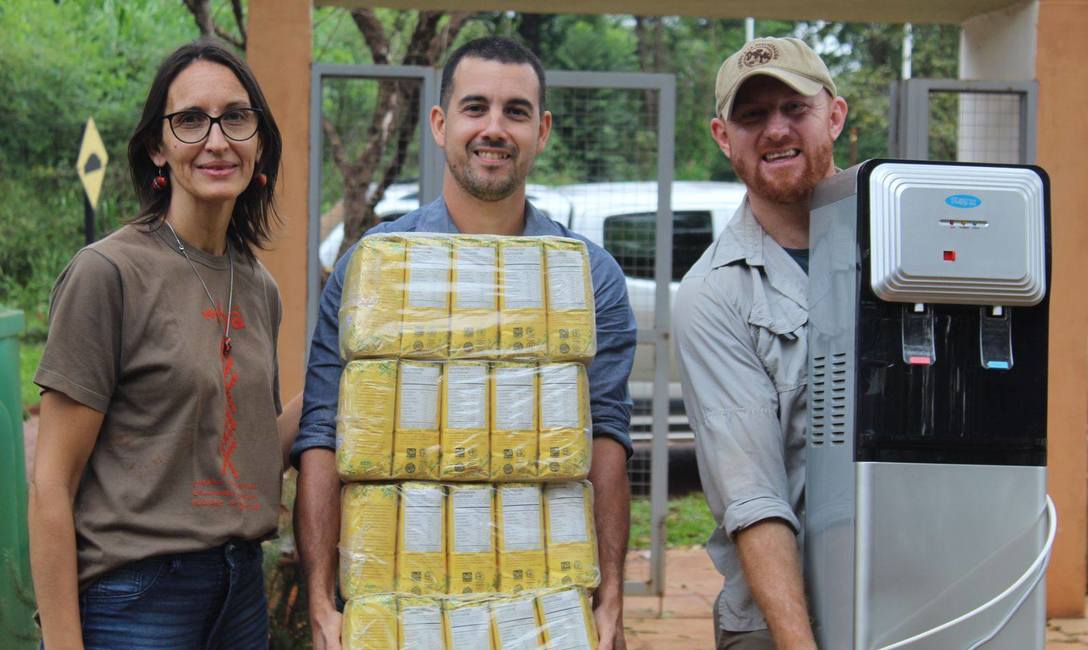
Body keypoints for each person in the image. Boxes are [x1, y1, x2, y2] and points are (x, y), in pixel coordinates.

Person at [292, 36, 637, 650]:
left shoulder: (586, 276)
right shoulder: (376, 267)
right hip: (396, 611)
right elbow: (325, 432)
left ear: (544, 129)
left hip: (543, 612)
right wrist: (321, 603)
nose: (494, 129)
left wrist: (609, 598)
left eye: (516, 111)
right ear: (440, 122)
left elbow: (603, 436)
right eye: (476, 108)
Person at [28, 38, 301, 649]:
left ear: (258, 142)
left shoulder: (258, 286)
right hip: (136, 600)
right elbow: (51, 484)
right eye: (190, 121)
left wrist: (341, 379)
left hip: (240, 596)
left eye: (236, 117)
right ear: (158, 146)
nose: (216, 139)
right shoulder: (109, 274)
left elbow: (248, 456)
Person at [673, 37, 848, 650]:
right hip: (783, 621)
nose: (775, 130)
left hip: (914, 595)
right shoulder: (713, 296)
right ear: (724, 136)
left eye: (793, 108)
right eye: (752, 116)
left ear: (834, 115)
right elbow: (755, 499)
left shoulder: (896, 247)